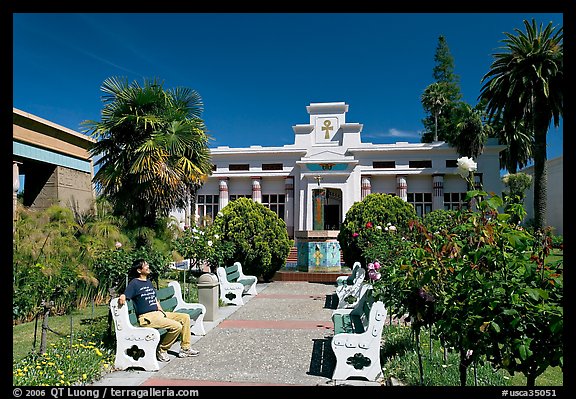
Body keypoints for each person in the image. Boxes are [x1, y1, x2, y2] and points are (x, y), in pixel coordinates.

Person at [118, 259, 200, 362]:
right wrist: (122, 296)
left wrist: (162, 311)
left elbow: (155, 299)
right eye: (145, 265)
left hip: (158, 314)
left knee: (185, 317)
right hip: (147, 318)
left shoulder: (148, 282)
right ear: (139, 270)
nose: (148, 266)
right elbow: (125, 295)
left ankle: (185, 348)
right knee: (176, 326)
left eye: (147, 264)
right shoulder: (134, 283)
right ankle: (162, 350)